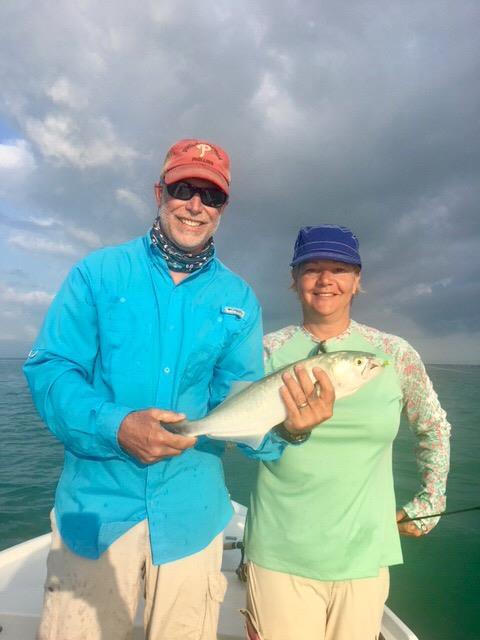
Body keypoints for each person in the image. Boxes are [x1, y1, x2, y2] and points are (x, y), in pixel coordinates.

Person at [23, 140, 335, 640]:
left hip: (192, 517)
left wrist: (288, 429)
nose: (195, 205)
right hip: (96, 513)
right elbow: (51, 371)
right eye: (183, 188)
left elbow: (238, 399)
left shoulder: (238, 299)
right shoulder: (97, 274)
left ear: (223, 208)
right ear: (158, 191)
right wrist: (116, 426)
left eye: (210, 196)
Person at [244, 224, 451, 640]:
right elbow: (245, 444)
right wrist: (288, 432)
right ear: (294, 280)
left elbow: (433, 426)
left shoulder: (393, 354)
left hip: (365, 556)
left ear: (358, 281)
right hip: (279, 552)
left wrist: (431, 501)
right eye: (311, 269)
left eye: (339, 269)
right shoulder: (264, 352)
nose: (325, 280)